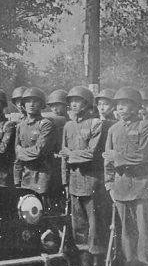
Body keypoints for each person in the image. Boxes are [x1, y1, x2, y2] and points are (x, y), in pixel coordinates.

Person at [60, 86, 106, 266]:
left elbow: (90, 154)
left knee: (94, 225)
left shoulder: (96, 124)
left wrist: (70, 155)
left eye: (77, 101)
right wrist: (65, 181)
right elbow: (63, 155)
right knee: (78, 224)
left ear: (86, 104)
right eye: (70, 101)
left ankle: (96, 260)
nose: (72, 104)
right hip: (74, 181)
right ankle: (83, 259)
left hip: (91, 181)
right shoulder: (68, 126)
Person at [104, 87, 148, 266]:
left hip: (142, 186)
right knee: (126, 231)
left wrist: (118, 157)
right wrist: (109, 184)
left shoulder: (144, 126)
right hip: (120, 187)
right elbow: (107, 160)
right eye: (119, 105)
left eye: (126, 104)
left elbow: (143, 156)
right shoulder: (113, 129)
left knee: (143, 229)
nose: (122, 108)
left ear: (136, 106)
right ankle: (130, 262)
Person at [14, 87, 55, 207]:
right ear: (23, 105)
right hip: (25, 178)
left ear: (41, 104)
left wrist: (21, 152)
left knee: (41, 211)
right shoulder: (20, 126)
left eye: (35, 101)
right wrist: (17, 179)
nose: (31, 104)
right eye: (28, 101)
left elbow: (39, 151)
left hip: (41, 177)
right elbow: (17, 158)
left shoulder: (46, 124)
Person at [46, 89, 70, 212]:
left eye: (58, 105)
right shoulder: (50, 123)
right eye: (52, 106)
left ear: (66, 105)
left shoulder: (70, 122)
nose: (55, 109)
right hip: (55, 164)